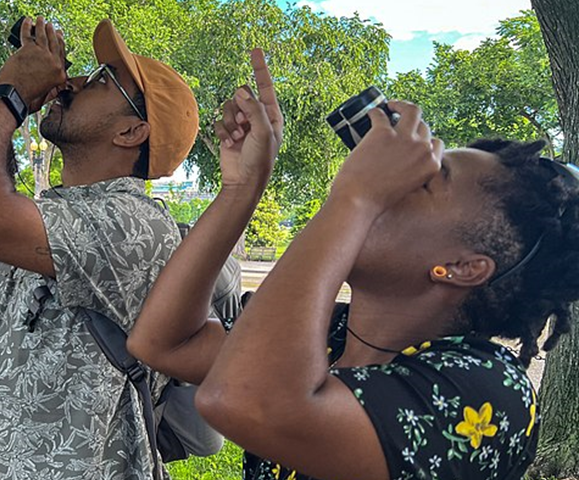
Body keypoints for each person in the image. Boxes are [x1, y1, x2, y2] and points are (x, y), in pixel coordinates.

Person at [128, 48, 579, 480]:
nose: (391, 180)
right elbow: (165, 343)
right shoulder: (327, 337)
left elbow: (243, 400)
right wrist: (241, 189)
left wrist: (356, 198)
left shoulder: (491, 394)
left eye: (425, 182)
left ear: (463, 267)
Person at [0, 17, 198, 480]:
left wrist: (9, 95)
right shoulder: (53, 218)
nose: (72, 82)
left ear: (132, 132)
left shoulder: (133, 223)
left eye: (100, 81)